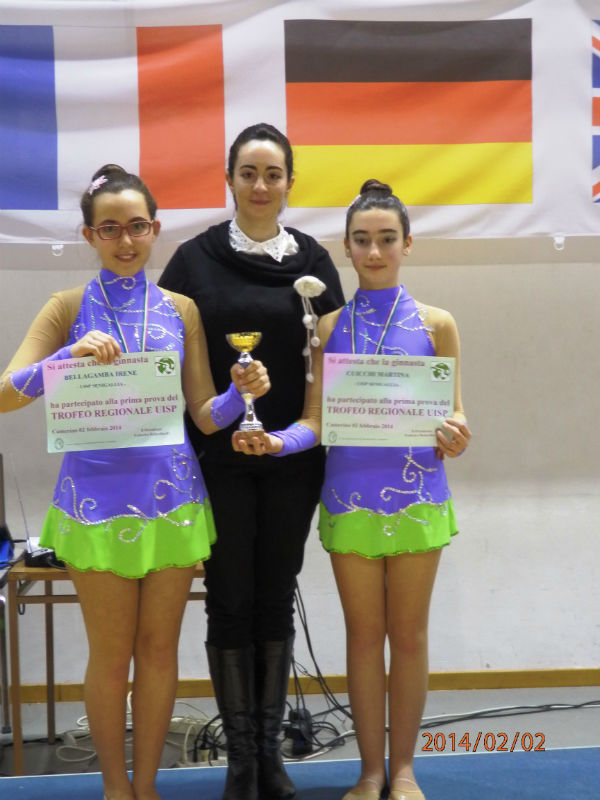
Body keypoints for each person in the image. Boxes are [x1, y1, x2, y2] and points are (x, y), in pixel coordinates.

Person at [0, 164, 268, 800]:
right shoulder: (66, 307)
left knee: (157, 652)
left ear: (155, 228)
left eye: (137, 226)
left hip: (171, 501)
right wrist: (63, 359)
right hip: (93, 504)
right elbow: (5, 395)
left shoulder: (181, 309)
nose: (126, 240)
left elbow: (204, 414)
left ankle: (146, 788)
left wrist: (241, 392)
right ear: (89, 235)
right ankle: (115, 789)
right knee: (110, 653)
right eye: (110, 228)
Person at [234, 180, 471, 800]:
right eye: (362, 240)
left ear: (407, 244)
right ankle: (369, 771)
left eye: (387, 239)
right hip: (350, 499)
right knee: (364, 639)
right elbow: (316, 420)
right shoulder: (329, 326)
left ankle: (404, 770)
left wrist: (454, 434)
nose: (374, 251)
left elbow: (455, 414)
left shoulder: (438, 324)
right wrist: (277, 442)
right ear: (345, 247)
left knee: (409, 637)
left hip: (418, 497)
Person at [158, 123, 345, 800]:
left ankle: (270, 759)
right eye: (248, 173)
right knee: (229, 598)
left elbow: (337, 363)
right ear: (229, 179)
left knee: (275, 594)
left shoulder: (315, 262)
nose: (260, 185)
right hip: (217, 458)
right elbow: (167, 359)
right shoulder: (192, 261)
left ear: (290, 182)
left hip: (294, 459)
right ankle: (240, 764)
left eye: (273, 174)